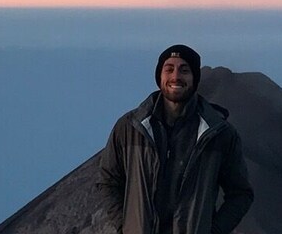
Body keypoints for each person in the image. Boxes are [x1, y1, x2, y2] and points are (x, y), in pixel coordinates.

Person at [96, 44, 254, 234]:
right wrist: (126, 226)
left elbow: (240, 194)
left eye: (184, 70)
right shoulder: (130, 128)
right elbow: (108, 182)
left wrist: (213, 230)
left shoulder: (219, 135)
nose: (176, 76)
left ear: (195, 78)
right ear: (159, 77)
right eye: (169, 69)